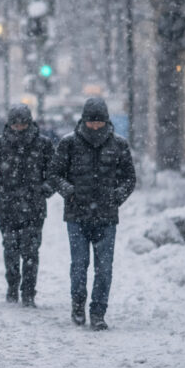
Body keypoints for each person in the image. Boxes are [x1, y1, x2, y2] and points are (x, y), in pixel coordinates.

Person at [50, 97, 136, 331]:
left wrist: (117, 196)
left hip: (107, 216)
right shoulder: (68, 143)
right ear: (84, 120)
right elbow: (54, 174)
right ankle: (78, 304)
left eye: (99, 122)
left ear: (106, 121)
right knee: (79, 265)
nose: (95, 126)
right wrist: (69, 191)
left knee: (104, 268)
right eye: (91, 122)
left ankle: (98, 312)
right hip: (77, 215)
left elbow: (129, 178)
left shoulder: (119, 145)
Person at [0, 104, 54, 308]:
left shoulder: (43, 145)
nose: (19, 128)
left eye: (22, 124)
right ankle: (12, 286)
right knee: (10, 248)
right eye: (15, 124)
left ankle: (28, 292)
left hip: (34, 206)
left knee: (31, 251)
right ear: (9, 124)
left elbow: (54, 173)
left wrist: (45, 189)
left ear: (29, 123)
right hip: (8, 205)